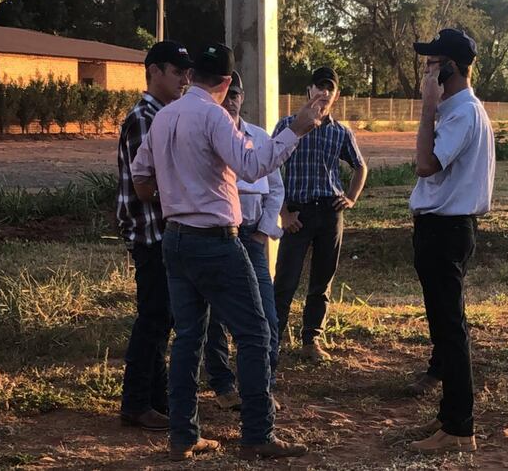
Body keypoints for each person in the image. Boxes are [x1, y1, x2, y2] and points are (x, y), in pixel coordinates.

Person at [131, 43, 322, 461]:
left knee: (187, 337)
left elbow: (140, 177)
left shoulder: (164, 117)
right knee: (255, 333)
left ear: (195, 73)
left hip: (175, 238)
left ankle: (183, 436)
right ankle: (257, 433)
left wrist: (175, 193)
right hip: (214, 239)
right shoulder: (214, 116)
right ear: (225, 83)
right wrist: (299, 128)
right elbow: (253, 167)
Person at [406, 28, 495, 454]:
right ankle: (451, 419)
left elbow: (425, 164)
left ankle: (459, 427)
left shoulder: (460, 114)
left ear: (451, 69)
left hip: (446, 230)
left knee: (451, 329)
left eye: (431, 65)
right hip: (443, 229)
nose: (425, 72)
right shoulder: (458, 112)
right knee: (446, 327)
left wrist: (427, 108)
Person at [116, 40, 192, 431]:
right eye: (177, 72)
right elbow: (149, 182)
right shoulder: (146, 118)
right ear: (155, 72)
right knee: (153, 318)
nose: (184, 80)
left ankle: (156, 400)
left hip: (163, 231)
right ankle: (136, 403)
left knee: (163, 318)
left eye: (187, 74)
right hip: (151, 232)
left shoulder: (161, 114)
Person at [272, 67, 368, 362]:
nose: (324, 93)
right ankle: (271, 341)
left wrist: (350, 197)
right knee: (286, 280)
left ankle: (311, 339)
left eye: (330, 88)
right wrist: (284, 213)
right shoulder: (287, 126)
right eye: (319, 87)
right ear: (309, 91)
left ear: (336, 95)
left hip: (329, 214)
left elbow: (360, 166)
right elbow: (271, 168)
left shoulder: (340, 132)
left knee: (322, 280)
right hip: (297, 216)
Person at [204, 71, 284, 411]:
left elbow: (276, 188)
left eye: (237, 92)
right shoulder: (208, 133)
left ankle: (262, 384)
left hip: (251, 237)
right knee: (217, 315)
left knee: (265, 312)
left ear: (243, 96)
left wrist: (264, 229)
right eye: (227, 91)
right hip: (221, 235)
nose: (232, 97)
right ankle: (224, 386)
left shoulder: (260, 137)